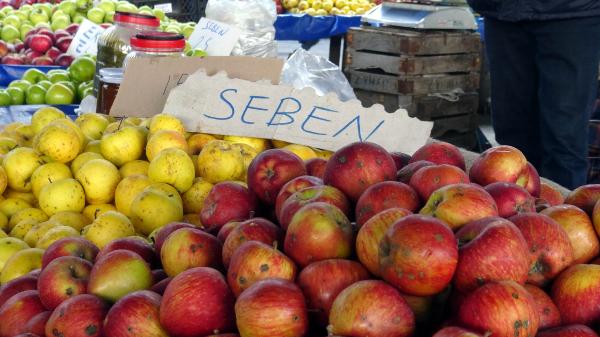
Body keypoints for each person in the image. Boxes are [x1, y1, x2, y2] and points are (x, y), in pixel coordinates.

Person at [467, 0, 600, 189]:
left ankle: (559, 213)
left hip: (572, 14)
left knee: (564, 140)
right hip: (502, 13)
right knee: (511, 139)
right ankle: (514, 215)